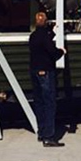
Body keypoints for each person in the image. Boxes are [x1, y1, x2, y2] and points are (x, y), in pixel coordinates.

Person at [29, 12, 66, 147]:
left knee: (39, 103)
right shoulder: (45, 37)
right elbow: (53, 52)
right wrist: (62, 51)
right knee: (49, 103)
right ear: (45, 22)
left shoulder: (33, 36)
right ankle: (49, 137)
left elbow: (42, 43)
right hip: (45, 72)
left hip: (34, 72)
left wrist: (51, 31)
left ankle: (41, 132)